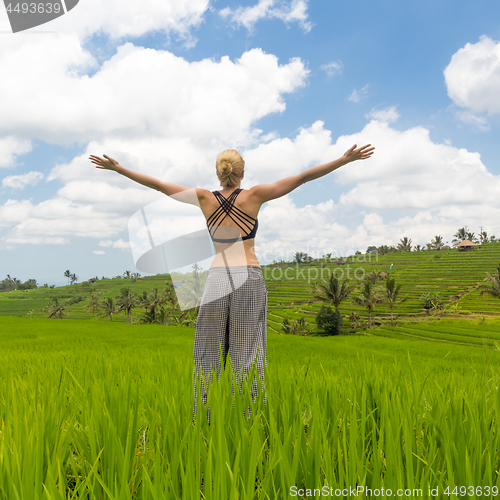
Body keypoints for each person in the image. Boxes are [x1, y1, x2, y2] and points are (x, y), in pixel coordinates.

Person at [89, 143, 375, 419]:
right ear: (242, 172)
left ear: (218, 173)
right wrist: (343, 160)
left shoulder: (204, 197)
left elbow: (160, 186)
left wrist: (120, 169)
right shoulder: (255, 195)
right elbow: (302, 178)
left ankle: (203, 417)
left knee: (207, 351)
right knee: (247, 351)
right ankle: (249, 420)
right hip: (248, 276)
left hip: (217, 278)